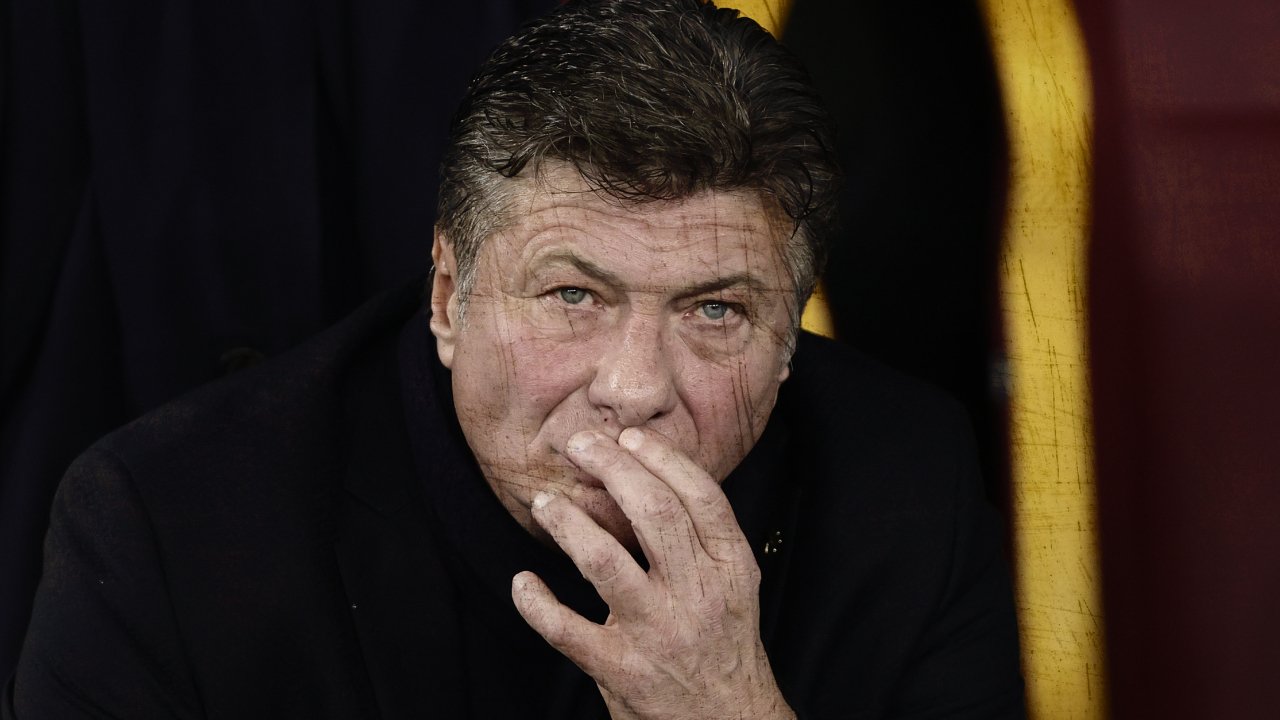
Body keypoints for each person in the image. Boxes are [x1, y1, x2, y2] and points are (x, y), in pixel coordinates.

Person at [4, 0, 1024, 717]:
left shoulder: (908, 486)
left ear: (789, 337)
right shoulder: (165, 525)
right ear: (448, 297)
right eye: (573, 296)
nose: (634, 388)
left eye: (715, 310)